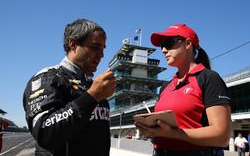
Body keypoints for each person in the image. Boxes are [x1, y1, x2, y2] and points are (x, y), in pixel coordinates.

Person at [134, 24, 231, 156]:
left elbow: (222, 136)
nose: (163, 50)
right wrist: (152, 130)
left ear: (188, 43)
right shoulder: (165, 87)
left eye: (168, 43)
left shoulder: (209, 78)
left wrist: (173, 133)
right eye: (161, 45)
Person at [23, 18, 116, 156]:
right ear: (73, 44)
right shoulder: (48, 78)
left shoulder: (93, 85)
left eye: (103, 49)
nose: (101, 55)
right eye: (95, 47)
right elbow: (44, 133)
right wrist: (91, 97)